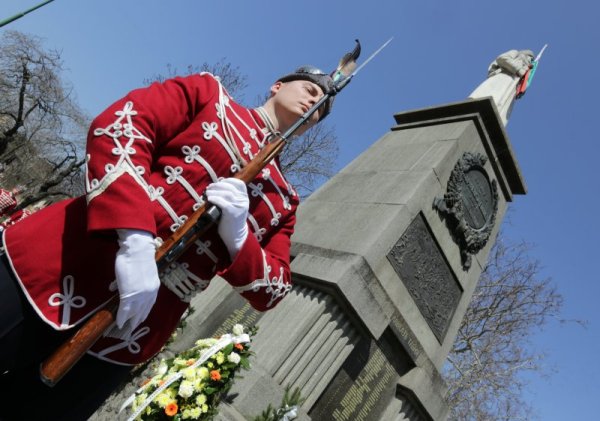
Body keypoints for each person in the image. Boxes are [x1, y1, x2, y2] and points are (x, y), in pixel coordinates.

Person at [0, 65, 335, 420]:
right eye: (310, 88)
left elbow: (274, 289)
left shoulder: (284, 199)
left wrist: (240, 238)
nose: (316, 99)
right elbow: (121, 127)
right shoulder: (209, 95)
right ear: (277, 85)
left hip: (125, 338)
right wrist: (134, 237)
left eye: (324, 104)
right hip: (55, 265)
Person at [468, 49, 534, 126]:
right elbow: (502, 58)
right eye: (530, 57)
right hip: (504, 78)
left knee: (498, 114)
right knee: (488, 100)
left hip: (511, 90)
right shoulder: (515, 53)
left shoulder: (527, 69)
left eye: (532, 59)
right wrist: (518, 69)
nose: (530, 60)